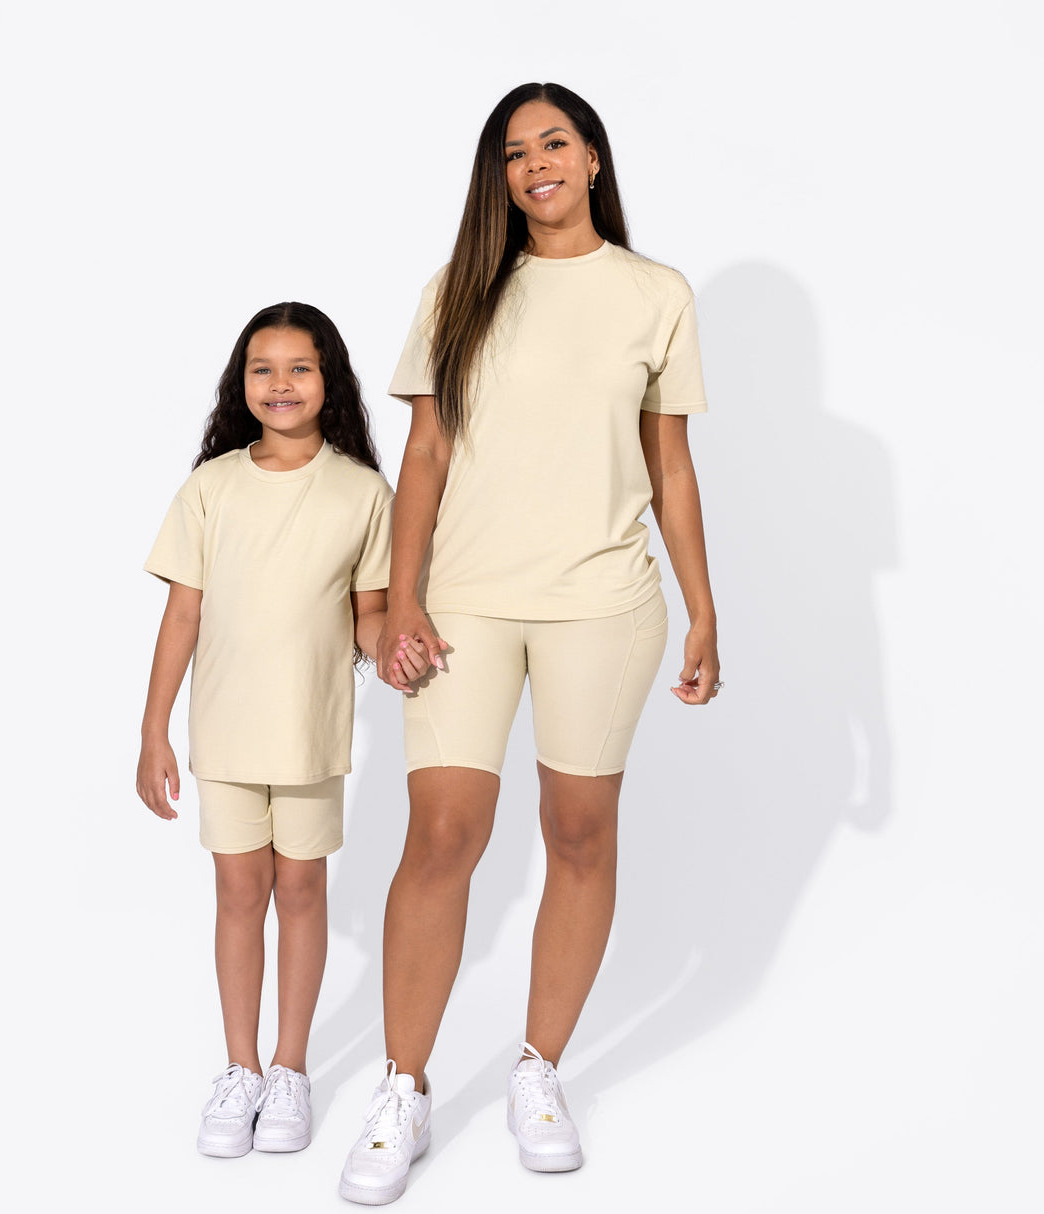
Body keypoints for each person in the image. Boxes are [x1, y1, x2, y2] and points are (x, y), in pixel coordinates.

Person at [339, 83, 722, 1204]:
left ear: (593, 157)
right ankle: (402, 1088)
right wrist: (402, 599)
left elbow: (670, 465)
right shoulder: (461, 288)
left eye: (555, 142)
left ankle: (537, 1069)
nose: (535, 164)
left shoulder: (654, 293)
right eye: (514, 152)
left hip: (603, 601)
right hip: (463, 602)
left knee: (579, 831)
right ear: (499, 177)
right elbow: (422, 457)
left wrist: (703, 606)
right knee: (442, 832)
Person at [136, 302, 428, 1161]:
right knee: (238, 894)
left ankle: (291, 1068)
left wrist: (396, 649)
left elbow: (368, 613)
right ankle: (241, 1069)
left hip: (309, 731)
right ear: (242, 383)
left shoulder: (361, 492)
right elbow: (182, 613)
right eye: (262, 368)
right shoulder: (212, 486)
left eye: (300, 367)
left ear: (329, 379)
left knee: (300, 892)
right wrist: (153, 731)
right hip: (225, 731)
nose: (281, 384)